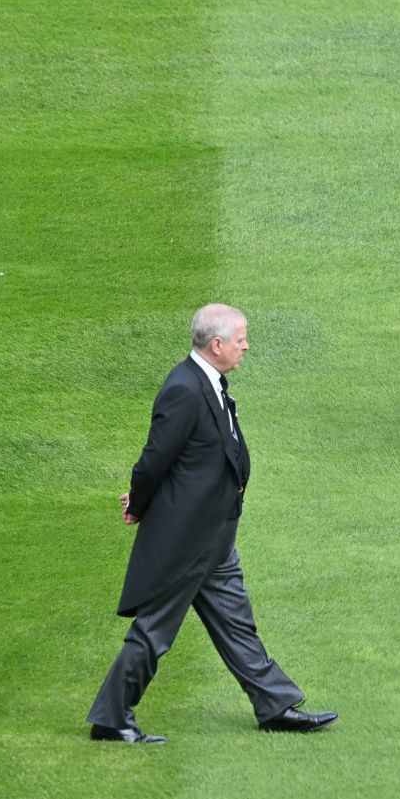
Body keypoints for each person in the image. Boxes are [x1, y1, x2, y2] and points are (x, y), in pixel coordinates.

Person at [87, 304, 337, 743]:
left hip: (216, 534)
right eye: (240, 338)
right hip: (187, 539)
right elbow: (154, 460)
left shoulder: (210, 383)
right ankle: (111, 718)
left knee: (236, 623)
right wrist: (140, 504)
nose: (246, 345)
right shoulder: (183, 388)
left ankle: (274, 704)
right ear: (216, 344)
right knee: (153, 632)